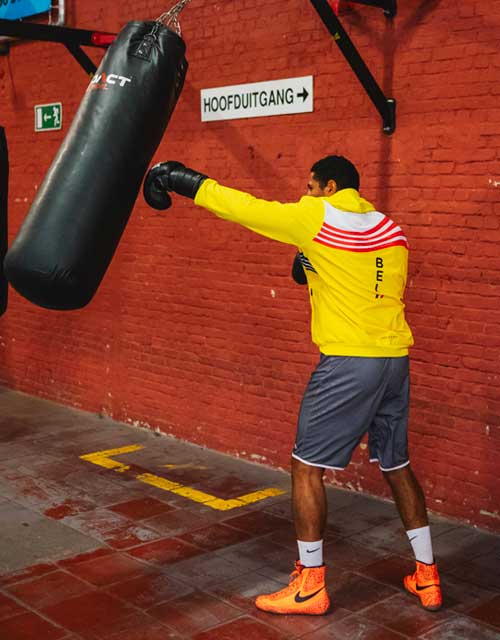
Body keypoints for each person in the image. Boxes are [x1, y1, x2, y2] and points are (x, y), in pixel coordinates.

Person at [143, 155, 442, 615]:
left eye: (309, 186)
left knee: (306, 468)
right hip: (395, 361)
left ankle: (311, 586)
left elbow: (244, 208)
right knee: (397, 464)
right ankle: (427, 576)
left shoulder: (315, 216)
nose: (305, 193)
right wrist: (316, 268)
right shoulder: (391, 229)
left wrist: (183, 181)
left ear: (329, 186)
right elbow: (374, 286)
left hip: (348, 362)